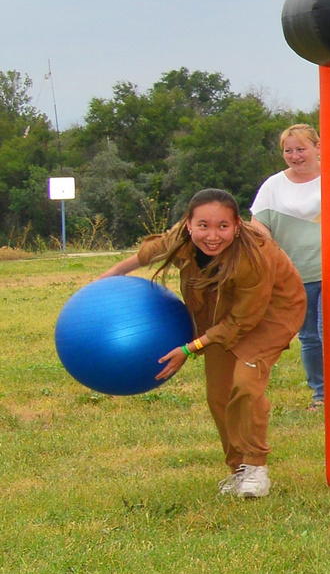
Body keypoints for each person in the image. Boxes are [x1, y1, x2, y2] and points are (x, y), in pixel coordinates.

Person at [94, 189, 306, 499]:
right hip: (217, 310)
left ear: (237, 225)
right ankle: (239, 470)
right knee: (218, 394)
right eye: (203, 225)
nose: (212, 235)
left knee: (246, 383)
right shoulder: (181, 237)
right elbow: (148, 252)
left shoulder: (254, 256)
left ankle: (256, 465)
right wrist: (109, 276)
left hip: (270, 311)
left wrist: (187, 349)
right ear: (188, 224)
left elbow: (243, 321)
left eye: (223, 226)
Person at [250, 122, 324, 406]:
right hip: (295, 275)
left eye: (301, 149)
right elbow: (258, 224)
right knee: (310, 337)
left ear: (318, 148)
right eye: (288, 150)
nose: (295, 155)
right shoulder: (273, 185)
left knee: (329, 332)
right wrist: (272, 252)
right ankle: (321, 395)